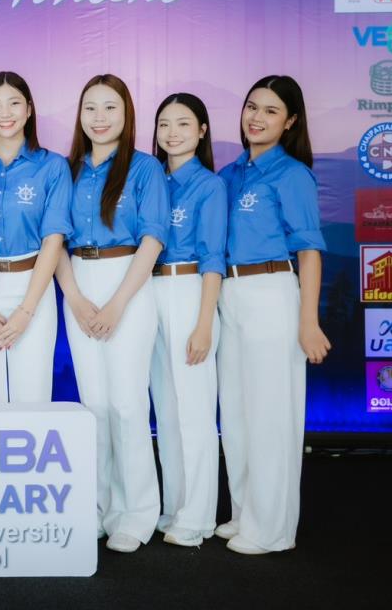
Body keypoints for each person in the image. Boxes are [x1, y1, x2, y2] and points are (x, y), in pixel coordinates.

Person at [216, 75, 330, 555]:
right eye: (251, 107)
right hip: (229, 294)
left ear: (290, 121)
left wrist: (308, 320)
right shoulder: (229, 174)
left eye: (270, 111)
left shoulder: (292, 174)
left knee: (270, 415)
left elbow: (309, 250)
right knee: (236, 413)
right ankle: (244, 513)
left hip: (272, 293)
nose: (256, 118)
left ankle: (272, 530)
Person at [54, 74, 167, 554]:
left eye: (110, 108)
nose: (99, 118)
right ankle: (99, 508)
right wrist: (76, 299)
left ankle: (136, 514)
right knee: (94, 406)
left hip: (129, 283)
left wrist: (119, 302)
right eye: (91, 108)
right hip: (78, 281)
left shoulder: (144, 169)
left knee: (126, 404)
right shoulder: (67, 170)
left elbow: (153, 239)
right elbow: (55, 241)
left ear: (127, 114)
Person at [148, 93, 226, 548]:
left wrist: (204, 323)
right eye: (164, 124)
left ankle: (198, 517)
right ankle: (175, 505)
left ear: (202, 131)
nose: (172, 133)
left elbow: (214, 258)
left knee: (194, 409)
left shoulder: (209, 186)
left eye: (183, 123)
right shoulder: (151, 179)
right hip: (151, 290)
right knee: (167, 407)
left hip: (189, 288)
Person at [0, 72, 71, 404]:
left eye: (14, 103)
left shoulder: (52, 166)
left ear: (28, 109)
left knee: (33, 397)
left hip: (33, 286)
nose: (5, 113)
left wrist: (26, 311)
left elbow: (53, 241)